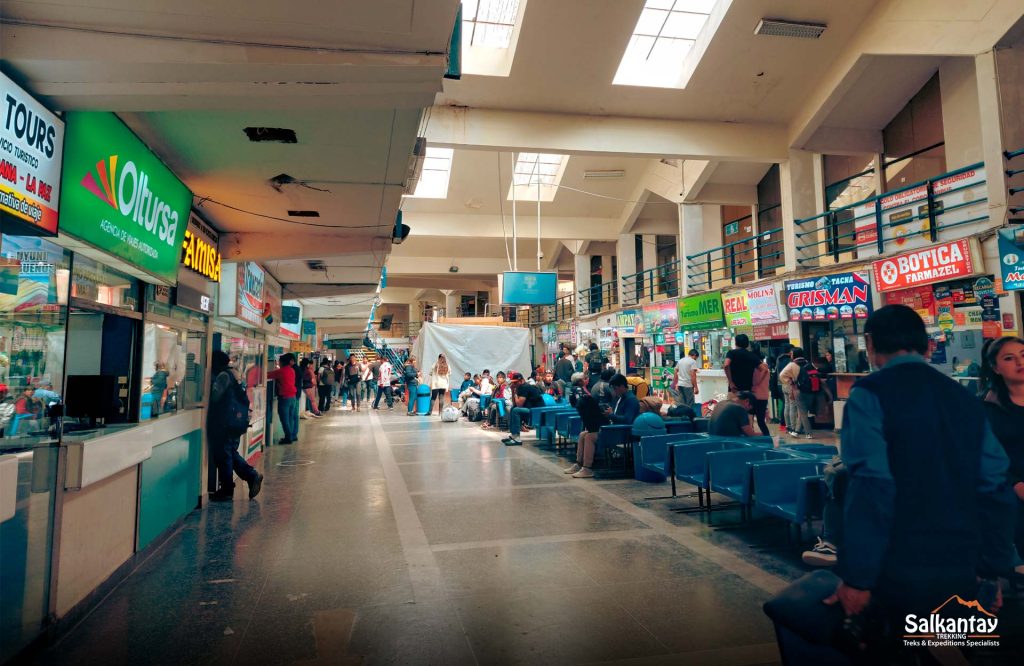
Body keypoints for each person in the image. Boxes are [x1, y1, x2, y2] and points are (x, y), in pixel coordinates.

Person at [823, 305, 1014, 652]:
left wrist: (858, 577)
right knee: (952, 650)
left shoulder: (869, 395)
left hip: (898, 565)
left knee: (898, 652)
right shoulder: (963, 398)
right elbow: (994, 484)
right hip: (962, 562)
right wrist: (993, 568)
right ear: (927, 347)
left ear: (870, 343)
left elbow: (872, 486)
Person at [979, 336, 1024, 575]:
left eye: (1023, 355)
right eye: (1009, 358)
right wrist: (1015, 483)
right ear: (996, 368)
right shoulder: (987, 407)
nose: (1019, 361)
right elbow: (984, 456)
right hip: (1010, 494)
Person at [208, 350, 263, 501]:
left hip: (224, 422)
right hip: (233, 421)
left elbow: (215, 395)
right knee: (229, 452)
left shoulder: (223, 376)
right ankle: (251, 476)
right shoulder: (233, 374)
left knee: (224, 455)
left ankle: (228, 489)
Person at [562, 392, 609, 479]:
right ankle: (579, 464)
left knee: (589, 437)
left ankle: (587, 468)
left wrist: (611, 415)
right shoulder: (591, 411)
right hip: (601, 430)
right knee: (582, 434)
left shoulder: (629, 401)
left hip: (610, 431)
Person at [778, 348, 813, 439]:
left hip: (798, 390)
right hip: (810, 391)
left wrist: (791, 382)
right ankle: (797, 431)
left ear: (794, 355)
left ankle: (804, 432)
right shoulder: (808, 363)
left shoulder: (792, 364)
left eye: (792, 353)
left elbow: (781, 375)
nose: (791, 355)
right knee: (803, 411)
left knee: (800, 411)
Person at [502, 372, 545, 446]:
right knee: (513, 408)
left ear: (521, 381)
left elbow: (519, 404)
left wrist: (515, 392)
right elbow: (515, 403)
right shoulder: (520, 387)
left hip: (537, 411)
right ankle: (514, 435)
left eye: (515, 383)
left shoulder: (524, 387)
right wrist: (513, 391)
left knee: (516, 410)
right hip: (531, 409)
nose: (514, 385)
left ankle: (517, 439)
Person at [267, 353, 299, 444]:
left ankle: (288, 437)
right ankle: (291, 436)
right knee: (290, 418)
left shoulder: (280, 371)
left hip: (284, 398)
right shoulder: (292, 370)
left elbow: (267, 375)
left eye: (279, 362)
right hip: (293, 396)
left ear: (282, 362)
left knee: (284, 419)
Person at [749, 347, 771, 437]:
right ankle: (768, 439)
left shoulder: (755, 369)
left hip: (754, 395)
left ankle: (751, 439)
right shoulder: (767, 368)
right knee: (761, 421)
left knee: (750, 419)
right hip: (764, 396)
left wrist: (755, 385)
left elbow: (755, 381)